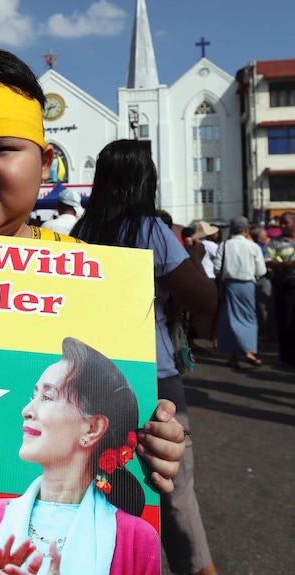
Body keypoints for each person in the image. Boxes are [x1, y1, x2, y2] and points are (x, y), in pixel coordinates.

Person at [0, 48, 185, 496]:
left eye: (3, 148)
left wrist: (153, 437)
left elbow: (115, 401)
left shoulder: (92, 276)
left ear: (46, 164)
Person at [72, 140, 218, 575]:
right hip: (154, 377)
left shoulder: (81, 232)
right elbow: (204, 298)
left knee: (102, 484)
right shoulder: (151, 231)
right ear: (145, 179)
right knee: (171, 488)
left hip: (94, 376)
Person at [0, 338, 159, 575]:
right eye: (32, 397)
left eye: (47, 397)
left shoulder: (137, 543)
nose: (26, 411)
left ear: (93, 428)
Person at [213, 215, 267, 368]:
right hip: (248, 285)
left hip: (230, 285)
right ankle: (249, 352)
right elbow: (261, 270)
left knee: (230, 319)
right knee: (249, 317)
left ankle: (234, 356)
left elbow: (217, 268)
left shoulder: (225, 245)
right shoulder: (253, 246)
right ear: (246, 229)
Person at [265, 211, 295, 366]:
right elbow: (268, 262)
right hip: (285, 286)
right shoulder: (275, 243)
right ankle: (287, 355)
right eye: (281, 223)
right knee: (286, 320)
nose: (282, 226)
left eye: (286, 223)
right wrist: (288, 264)